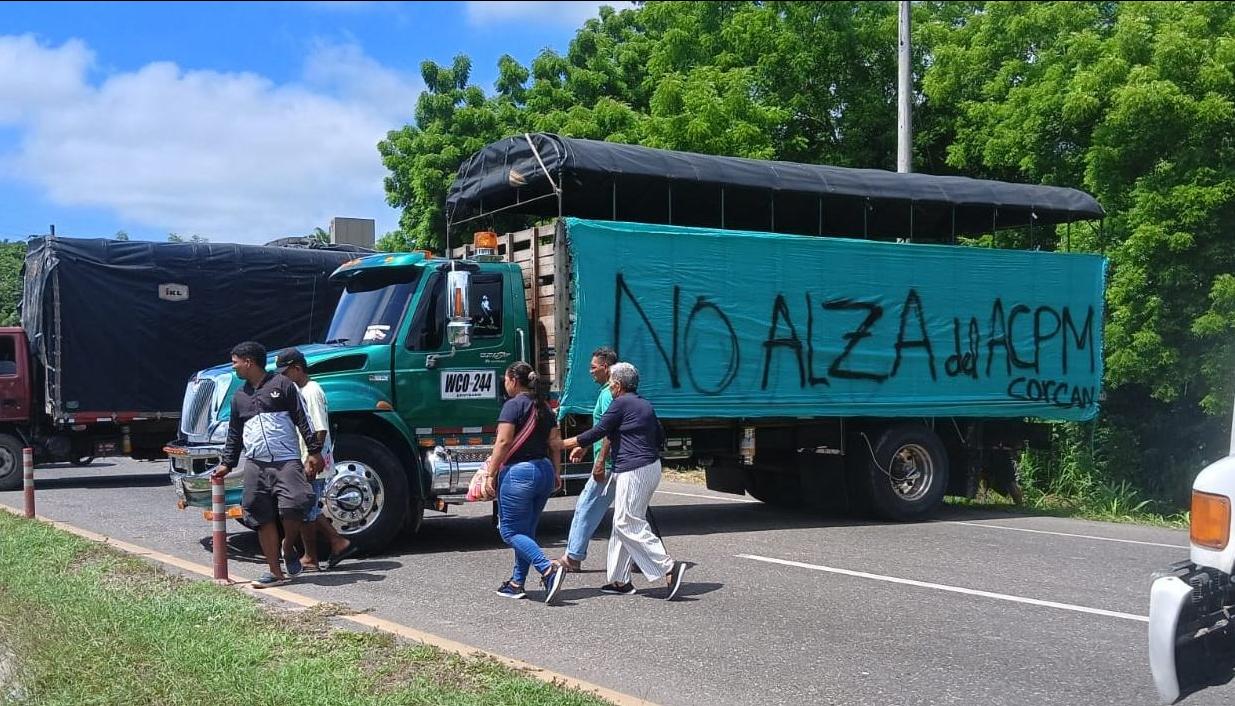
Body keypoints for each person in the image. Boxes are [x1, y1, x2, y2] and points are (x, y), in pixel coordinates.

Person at [563, 362, 688, 600]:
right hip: (649, 467)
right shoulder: (643, 404)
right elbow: (658, 435)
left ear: (618, 385)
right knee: (624, 522)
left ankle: (667, 566)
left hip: (635, 470)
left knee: (625, 522)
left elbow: (597, 432)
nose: (609, 386)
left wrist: (560, 444)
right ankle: (620, 580)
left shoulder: (620, 403)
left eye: (611, 382)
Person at [212, 341, 323, 589]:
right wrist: (227, 464)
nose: (235, 368)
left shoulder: (283, 386)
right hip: (255, 464)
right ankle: (275, 572)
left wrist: (314, 452)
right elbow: (234, 434)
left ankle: (288, 546)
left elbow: (302, 419)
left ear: (249, 362)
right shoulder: (239, 397)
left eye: (235, 363)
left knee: (296, 502)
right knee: (259, 513)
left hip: (286, 461)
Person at [558, 346, 664, 573]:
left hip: (611, 465)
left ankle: (573, 557)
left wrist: (597, 460)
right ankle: (635, 564)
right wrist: (585, 447)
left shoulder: (611, 395)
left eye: (594, 367)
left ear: (606, 368)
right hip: (624, 464)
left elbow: (609, 431)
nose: (590, 371)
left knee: (587, 507)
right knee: (631, 515)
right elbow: (603, 427)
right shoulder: (616, 394)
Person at [484, 361, 567, 603]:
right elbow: (555, 443)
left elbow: (503, 443)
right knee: (526, 530)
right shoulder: (543, 407)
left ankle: (548, 568)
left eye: (506, 379)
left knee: (509, 530)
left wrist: (490, 473)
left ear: (513, 379)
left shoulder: (512, 406)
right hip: (543, 470)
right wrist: (557, 472)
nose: (504, 383)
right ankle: (516, 582)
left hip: (519, 474)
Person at [275, 347, 358, 571]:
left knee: (306, 508)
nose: (283, 377)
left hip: (313, 458)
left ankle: (318, 553)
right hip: (307, 456)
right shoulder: (300, 390)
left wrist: (313, 457)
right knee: (307, 507)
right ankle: (333, 544)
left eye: (286, 372)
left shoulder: (311, 392)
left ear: (297, 369)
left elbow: (319, 429)